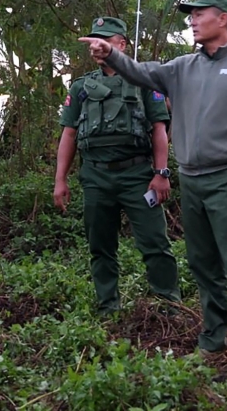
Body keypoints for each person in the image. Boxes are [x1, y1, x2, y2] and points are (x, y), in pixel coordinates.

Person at [78, 0, 227, 363]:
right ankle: (213, 337)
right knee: (202, 262)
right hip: (191, 179)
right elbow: (140, 72)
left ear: (222, 18)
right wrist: (111, 54)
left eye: (199, 14)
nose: (192, 20)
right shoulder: (182, 68)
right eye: (191, 15)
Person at [53, 17, 180, 315]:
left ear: (122, 44)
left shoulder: (145, 82)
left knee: (155, 243)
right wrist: (60, 179)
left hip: (138, 175)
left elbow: (159, 129)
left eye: (106, 40)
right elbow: (69, 134)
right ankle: (107, 307)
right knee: (100, 246)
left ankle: (169, 308)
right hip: (96, 175)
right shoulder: (81, 86)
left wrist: (161, 173)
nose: (97, 46)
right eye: (94, 41)